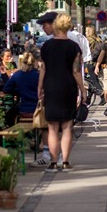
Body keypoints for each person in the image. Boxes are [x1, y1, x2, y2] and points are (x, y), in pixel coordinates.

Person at [37, 11, 85, 173]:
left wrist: (40, 87)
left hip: (51, 87)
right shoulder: (74, 47)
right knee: (66, 127)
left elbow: (43, 68)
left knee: (52, 128)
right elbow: (76, 71)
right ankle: (65, 162)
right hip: (68, 88)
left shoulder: (46, 46)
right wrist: (82, 90)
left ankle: (52, 162)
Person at [2, 52, 40, 128]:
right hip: (38, 109)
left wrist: (18, 89)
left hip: (23, 109)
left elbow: (6, 89)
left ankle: (12, 134)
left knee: (8, 114)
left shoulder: (17, 74)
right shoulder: (38, 75)